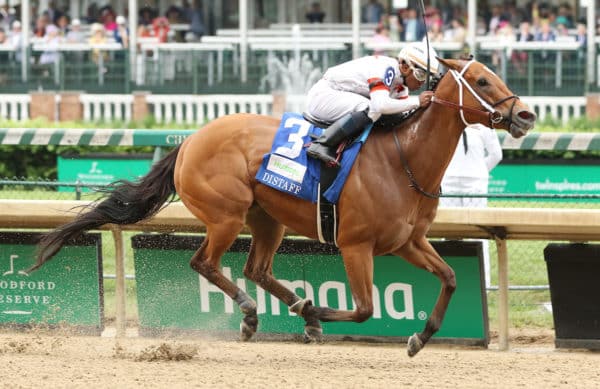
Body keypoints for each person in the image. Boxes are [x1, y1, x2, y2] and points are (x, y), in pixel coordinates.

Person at [305, 41, 438, 166]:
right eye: (421, 75)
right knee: (372, 108)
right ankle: (322, 144)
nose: (422, 82)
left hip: (338, 97)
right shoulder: (387, 68)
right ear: (404, 66)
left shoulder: (401, 89)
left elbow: (401, 117)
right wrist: (417, 101)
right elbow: (380, 105)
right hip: (324, 96)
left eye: (427, 77)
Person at [440, 123, 503, 288]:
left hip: (474, 184)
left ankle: (484, 283)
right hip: (449, 182)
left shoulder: (485, 125)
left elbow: (496, 154)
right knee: (448, 232)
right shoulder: (448, 119)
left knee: (479, 232)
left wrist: (479, 171)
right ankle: (447, 280)